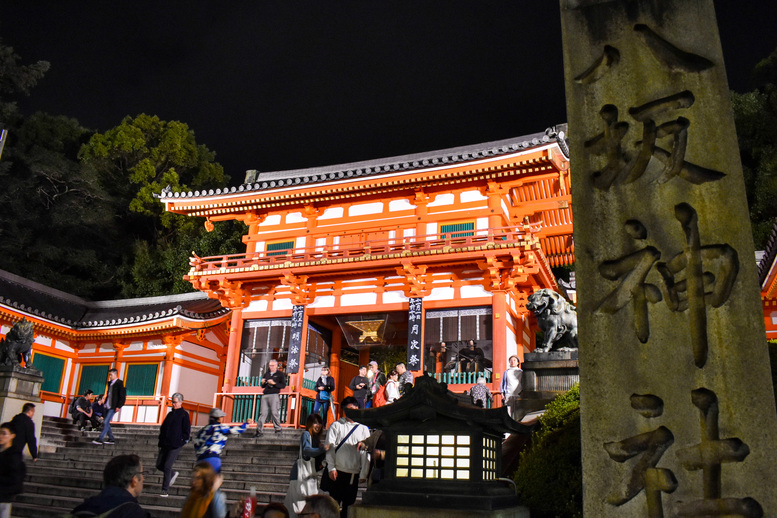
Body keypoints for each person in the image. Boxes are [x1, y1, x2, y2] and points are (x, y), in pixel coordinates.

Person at [323, 396, 370, 518]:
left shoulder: (364, 428)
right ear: (344, 410)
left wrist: (364, 473)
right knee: (334, 505)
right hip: (337, 472)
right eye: (349, 410)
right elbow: (330, 447)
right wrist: (331, 468)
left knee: (349, 505)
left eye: (355, 409)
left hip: (353, 473)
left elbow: (365, 452)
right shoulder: (336, 426)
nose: (352, 412)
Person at [70, 454, 150, 517]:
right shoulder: (132, 512)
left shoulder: (82, 508)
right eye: (142, 473)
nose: (143, 479)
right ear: (134, 480)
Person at [284, 414, 330, 517]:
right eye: (315, 422)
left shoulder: (315, 439)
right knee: (297, 506)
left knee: (299, 505)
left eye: (319, 423)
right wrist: (322, 449)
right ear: (309, 424)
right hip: (300, 475)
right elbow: (306, 450)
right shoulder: (306, 435)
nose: (317, 425)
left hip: (307, 476)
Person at [194, 408, 251, 473]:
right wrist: (246, 423)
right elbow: (238, 429)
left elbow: (196, 444)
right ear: (219, 418)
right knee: (213, 481)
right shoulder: (220, 427)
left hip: (200, 459)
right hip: (213, 457)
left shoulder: (203, 430)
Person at [157, 392, 191, 497]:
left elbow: (187, 430)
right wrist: (161, 439)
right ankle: (172, 474)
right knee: (159, 465)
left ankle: (165, 490)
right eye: (172, 402)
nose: (173, 404)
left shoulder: (184, 415)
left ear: (181, 402)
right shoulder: (170, 414)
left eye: (175, 402)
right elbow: (163, 427)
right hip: (165, 443)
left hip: (175, 444)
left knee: (167, 466)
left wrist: (182, 440)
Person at [94, 368, 126, 445]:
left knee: (105, 422)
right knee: (106, 422)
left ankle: (101, 438)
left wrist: (119, 406)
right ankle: (111, 438)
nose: (110, 376)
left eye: (111, 375)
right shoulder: (110, 383)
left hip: (113, 406)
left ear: (115, 374)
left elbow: (122, 396)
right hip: (107, 405)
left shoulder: (119, 383)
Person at [0, 422, 25, 518]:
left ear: (12, 436)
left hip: (4, 496)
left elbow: (15, 478)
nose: (1, 436)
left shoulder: (14, 455)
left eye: (4, 433)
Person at [255, 359, 286, 436]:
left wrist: (274, 383)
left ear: (276, 366)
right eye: (270, 366)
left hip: (274, 394)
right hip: (265, 395)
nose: (271, 367)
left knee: (274, 412)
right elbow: (263, 386)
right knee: (263, 413)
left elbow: (283, 385)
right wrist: (263, 382)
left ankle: (278, 428)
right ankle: (259, 430)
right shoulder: (267, 374)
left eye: (272, 365)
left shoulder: (280, 374)